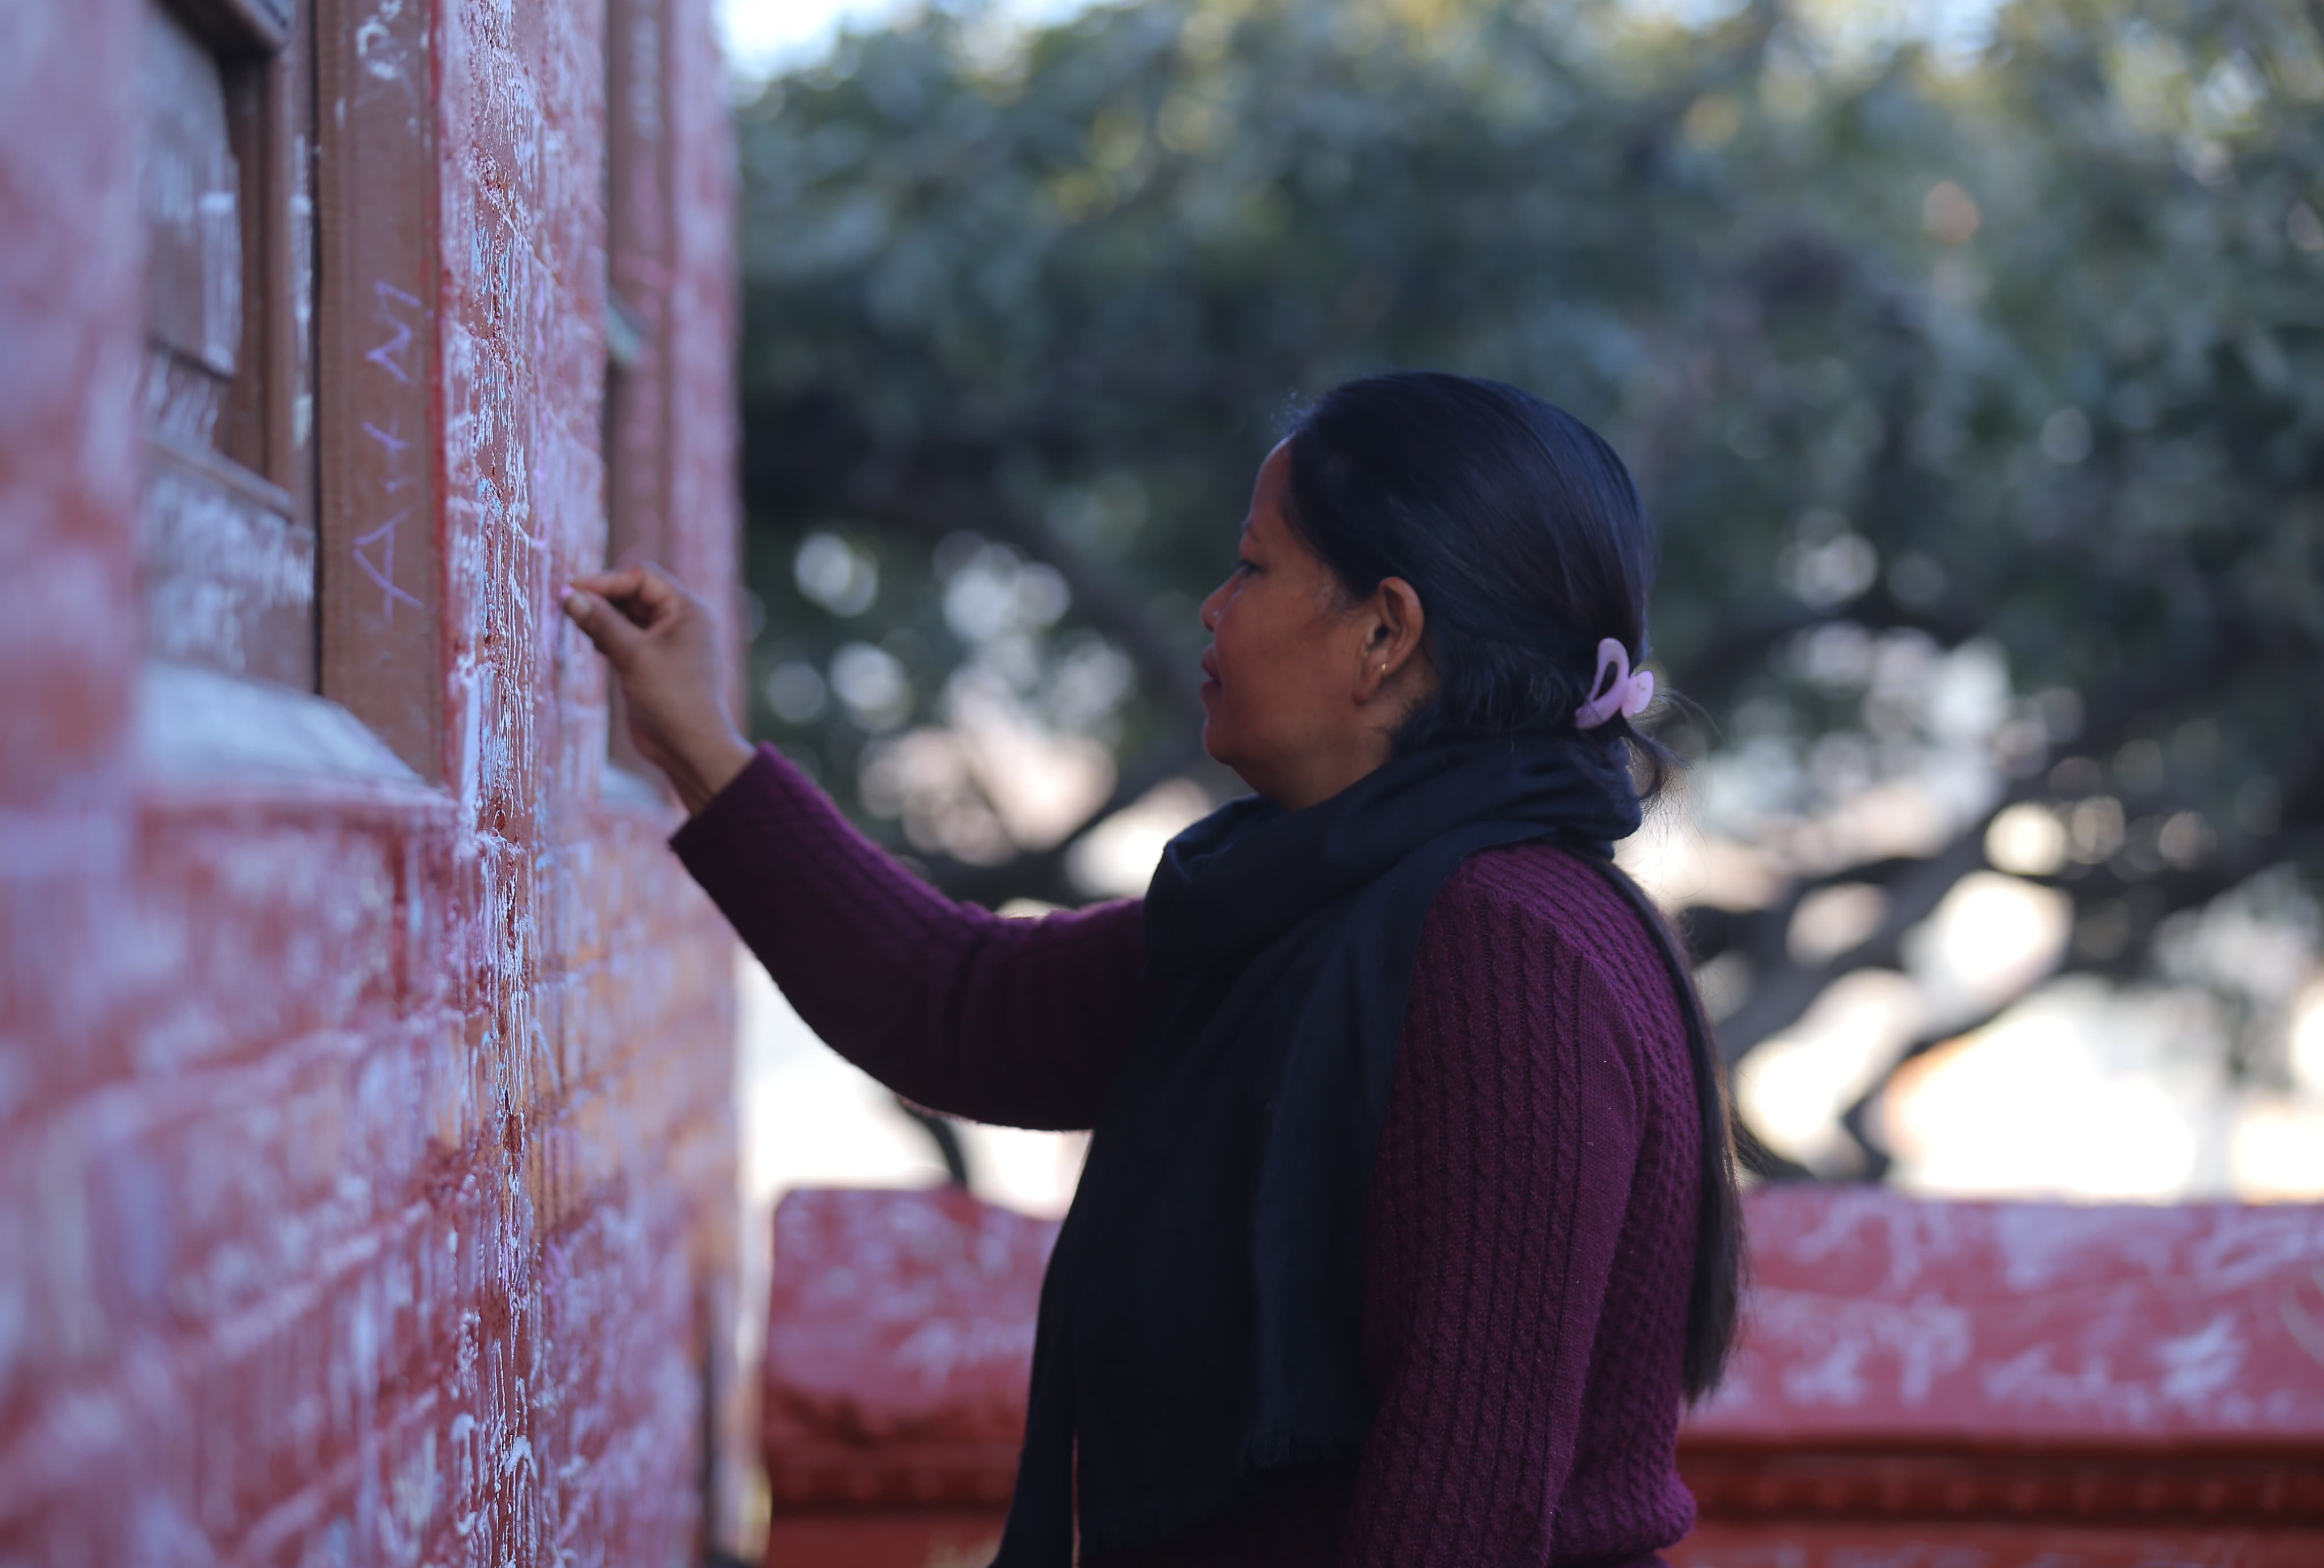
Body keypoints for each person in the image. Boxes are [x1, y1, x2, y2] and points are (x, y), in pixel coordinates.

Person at [564, 371, 1742, 1568]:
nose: (1211, 609)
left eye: (1254, 567)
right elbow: (958, 1005)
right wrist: (695, 744)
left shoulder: (1507, 946)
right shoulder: (1299, 905)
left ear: (1385, 631)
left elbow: (1461, 1515)